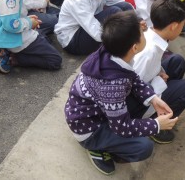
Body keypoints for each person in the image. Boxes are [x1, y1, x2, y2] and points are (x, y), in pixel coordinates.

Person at [64, 11, 178, 175]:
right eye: (142, 33)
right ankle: (97, 148)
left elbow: (133, 78)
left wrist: (152, 98)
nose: (145, 32)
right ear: (134, 47)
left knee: (134, 116)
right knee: (144, 147)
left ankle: (109, 143)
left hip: (91, 112)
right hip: (90, 129)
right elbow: (122, 127)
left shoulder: (110, 52)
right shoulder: (112, 85)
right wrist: (156, 125)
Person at [129, 0, 185, 143]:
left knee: (177, 61)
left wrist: (159, 70)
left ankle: (164, 107)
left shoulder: (150, 35)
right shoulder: (149, 52)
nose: (181, 30)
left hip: (146, 84)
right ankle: (156, 124)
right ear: (173, 26)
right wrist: (157, 83)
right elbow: (130, 89)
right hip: (136, 103)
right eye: (181, 26)